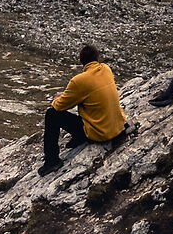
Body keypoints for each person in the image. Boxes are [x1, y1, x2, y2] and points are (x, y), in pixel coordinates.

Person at [40, 44, 126, 174]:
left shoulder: (78, 81)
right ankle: (78, 138)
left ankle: (51, 161)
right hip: (118, 128)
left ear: (81, 62)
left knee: (51, 114)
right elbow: (89, 91)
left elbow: (59, 106)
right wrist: (67, 95)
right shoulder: (106, 69)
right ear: (98, 58)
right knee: (87, 106)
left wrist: (57, 97)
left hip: (99, 134)